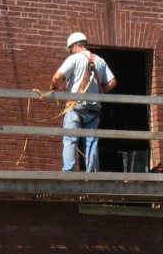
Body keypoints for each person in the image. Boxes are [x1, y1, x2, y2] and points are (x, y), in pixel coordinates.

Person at [50, 32, 117, 172]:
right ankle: (91, 173)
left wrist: (54, 86)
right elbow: (112, 82)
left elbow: (57, 77)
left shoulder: (74, 58)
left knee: (70, 140)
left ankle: (68, 173)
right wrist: (99, 93)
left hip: (75, 107)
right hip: (94, 108)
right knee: (92, 142)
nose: (70, 52)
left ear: (74, 46)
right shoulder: (100, 60)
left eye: (70, 49)